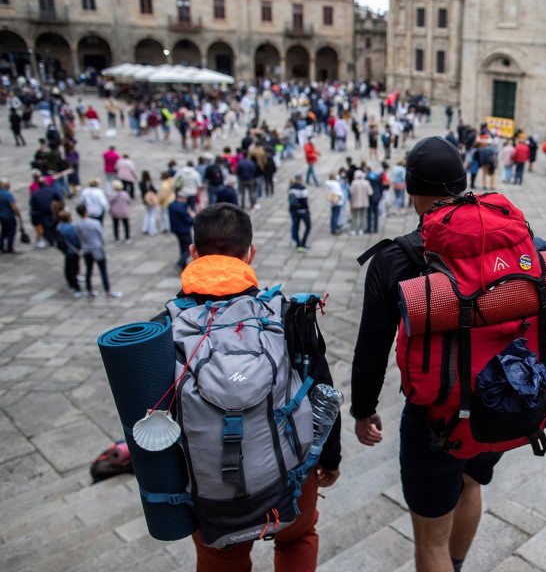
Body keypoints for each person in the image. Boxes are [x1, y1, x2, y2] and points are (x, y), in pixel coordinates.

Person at [159, 203, 340, 571]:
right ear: (250, 252)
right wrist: (330, 460)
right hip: (291, 477)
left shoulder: (165, 328)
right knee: (298, 540)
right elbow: (322, 390)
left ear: (194, 253)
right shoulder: (286, 314)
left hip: (209, 492)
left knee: (219, 558)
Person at [351, 136, 500, 572]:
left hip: (437, 415)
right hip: (497, 396)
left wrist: (363, 410)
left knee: (430, 539)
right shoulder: (502, 234)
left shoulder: (396, 259)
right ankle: (455, 566)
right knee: (471, 484)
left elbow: (371, 349)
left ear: (412, 191)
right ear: (463, 184)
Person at [75, 204, 121, 298]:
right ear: (86, 211)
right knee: (103, 270)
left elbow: (79, 237)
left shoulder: (78, 225)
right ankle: (108, 292)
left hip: (87, 249)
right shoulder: (95, 223)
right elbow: (100, 235)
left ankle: (89, 291)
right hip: (96, 248)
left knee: (89, 271)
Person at [56, 210, 86, 296]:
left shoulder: (59, 227)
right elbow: (76, 240)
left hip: (65, 250)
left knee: (68, 267)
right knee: (74, 268)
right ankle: (76, 287)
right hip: (72, 251)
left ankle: (71, 285)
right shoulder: (70, 228)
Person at [30, 177, 63, 248]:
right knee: (55, 226)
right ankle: (56, 240)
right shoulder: (52, 190)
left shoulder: (35, 194)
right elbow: (60, 200)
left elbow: (33, 206)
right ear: (46, 183)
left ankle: (51, 242)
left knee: (46, 229)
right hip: (53, 212)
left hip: (42, 214)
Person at [168, 191, 195, 271]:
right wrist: (193, 217)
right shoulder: (181, 207)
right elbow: (188, 220)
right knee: (190, 248)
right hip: (184, 230)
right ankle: (180, 263)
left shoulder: (171, 205)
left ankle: (183, 266)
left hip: (176, 230)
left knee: (182, 248)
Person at [288, 173, 312, 252]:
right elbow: (305, 201)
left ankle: (298, 244)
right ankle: (303, 243)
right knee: (308, 226)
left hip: (295, 211)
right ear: (301, 179)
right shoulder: (302, 188)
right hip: (303, 211)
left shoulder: (291, 187)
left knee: (297, 227)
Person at [0, 178, 24, 253]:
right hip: (9, 216)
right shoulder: (8, 194)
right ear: (5, 185)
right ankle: (10, 248)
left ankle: (1, 247)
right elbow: (13, 207)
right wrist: (19, 215)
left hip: (1, 217)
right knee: (11, 232)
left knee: (4, 231)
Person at [108, 180, 132, 245]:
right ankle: (127, 238)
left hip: (115, 212)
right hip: (124, 211)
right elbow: (128, 201)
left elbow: (109, 202)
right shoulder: (125, 194)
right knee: (126, 225)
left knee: (116, 225)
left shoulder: (112, 194)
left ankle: (117, 239)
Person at [349, 169, 373, 236]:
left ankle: (354, 229)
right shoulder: (366, 182)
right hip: (364, 202)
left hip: (355, 202)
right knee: (363, 216)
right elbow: (370, 192)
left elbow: (351, 192)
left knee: (354, 216)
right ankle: (361, 230)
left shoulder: (354, 182)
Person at [139, 171, 159, 237]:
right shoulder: (149, 183)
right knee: (152, 216)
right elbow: (155, 191)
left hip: (145, 201)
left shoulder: (141, 183)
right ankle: (152, 230)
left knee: (147, 214)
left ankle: (145, 228)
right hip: (151, 200)